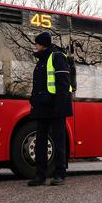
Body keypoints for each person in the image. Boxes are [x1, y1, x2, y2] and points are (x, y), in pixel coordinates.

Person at [27, 32, 73, 186]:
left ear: (43, 44)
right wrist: (33, 100)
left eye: (37, 43)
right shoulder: (40, 60)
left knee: (59, 141)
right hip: (42, 107)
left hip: (56, 106)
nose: (35, 46)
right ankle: (40, 176)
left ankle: (60, 174)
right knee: (40, 142)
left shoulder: (57, 57)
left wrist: (59, 106)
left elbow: (63, 83)